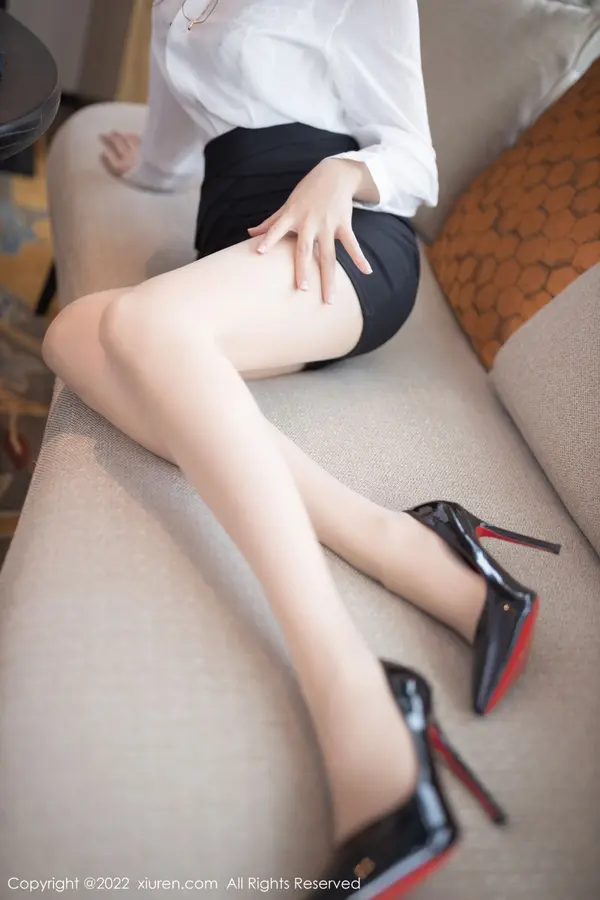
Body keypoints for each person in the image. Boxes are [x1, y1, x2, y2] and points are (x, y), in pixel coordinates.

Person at [42, 2, 560, 896]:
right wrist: (152, 166)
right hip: (239, 253)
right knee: (72, 335)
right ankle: (405, 543)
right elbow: (178, 121)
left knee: (140, 329)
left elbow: (414, 159)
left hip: (341, 245)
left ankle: (356, 694)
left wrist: (341, 171)